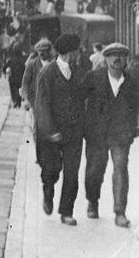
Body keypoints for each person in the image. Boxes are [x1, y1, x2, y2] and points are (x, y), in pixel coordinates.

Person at [82, 42, 139, 228]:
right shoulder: (93, 78)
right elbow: (78, 99)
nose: (116, 59)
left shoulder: (131, 82)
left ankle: (120, 211)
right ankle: (92, 200)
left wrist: (132, 130)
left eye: (121, 56)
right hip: (96, 134)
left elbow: (135, 107)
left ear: (126, 60)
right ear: (105, 59)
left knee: (121, 168)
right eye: (112, 56)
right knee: (94, 170)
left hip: (120, 135)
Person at [34, 33, 85, 225]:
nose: (80, 53)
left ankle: (66, 211)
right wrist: (50, 130)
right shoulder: (47, 73)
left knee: (72, 172)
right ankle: (48, 192)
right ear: (70, 53)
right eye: (77, 50)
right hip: (52, 132)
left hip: (74, 131)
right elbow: (42, 105)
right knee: (52, 170)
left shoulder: (79, 71)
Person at [21, 39, 54, 111]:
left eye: (44, 50)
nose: (41, 53)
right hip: (35, 101)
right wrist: (26, 99)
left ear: (49, 50)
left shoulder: (54, 64)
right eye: (39, 51)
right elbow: (25, 83)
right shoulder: (32, 65)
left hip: (51, 100)